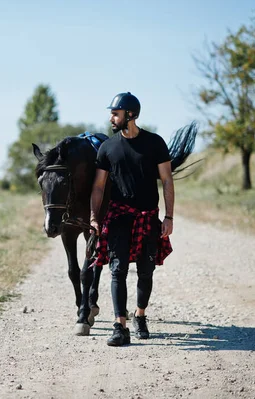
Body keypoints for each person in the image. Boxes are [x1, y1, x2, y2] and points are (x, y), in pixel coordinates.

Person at [89, 92, 174, 346]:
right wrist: (95, 217)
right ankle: (120, 326)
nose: (111, 118)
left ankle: (140, 315)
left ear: (131, 115)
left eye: (115, 113)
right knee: (117, 270)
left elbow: (167, 180)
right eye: (112, 113)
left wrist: (168, 216)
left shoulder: (155, 143)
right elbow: (98, 187)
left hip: (148, 216)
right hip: (118, 216)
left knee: (146, 271)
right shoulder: (108, 147)